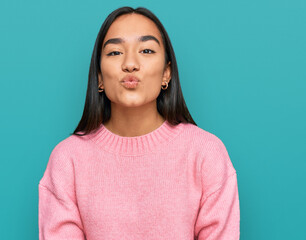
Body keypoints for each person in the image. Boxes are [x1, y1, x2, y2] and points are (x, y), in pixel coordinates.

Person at [38, 6, 240, 240]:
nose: (130, 64)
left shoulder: (206, 154)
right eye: (115, 52)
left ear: (167, 74)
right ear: (99, 78)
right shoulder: (67, 160)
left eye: (146, 50)